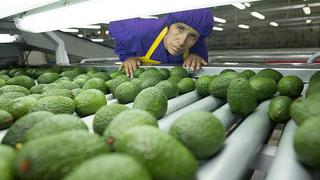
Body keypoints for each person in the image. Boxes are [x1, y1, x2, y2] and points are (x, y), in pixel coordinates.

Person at [109, 8, 214, 77]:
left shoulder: (198, 42)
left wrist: (196, 55)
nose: (182, 42)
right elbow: (117, 25)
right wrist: (128, 57)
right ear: (169, 25)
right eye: (180, 28)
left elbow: (201, 63)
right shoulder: (140, 31)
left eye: (192, 36)